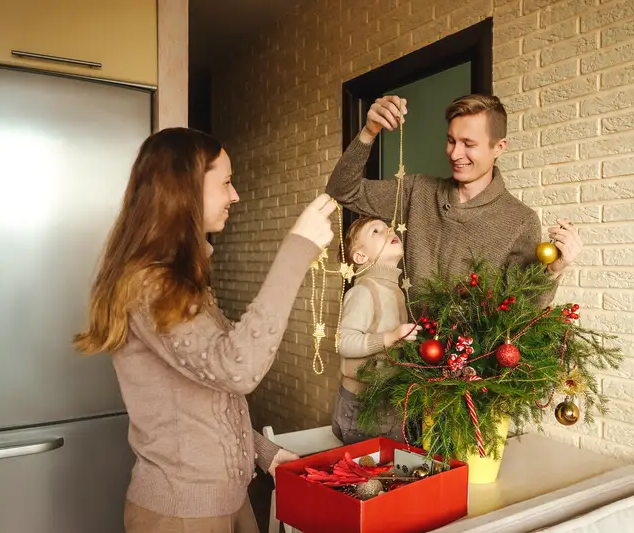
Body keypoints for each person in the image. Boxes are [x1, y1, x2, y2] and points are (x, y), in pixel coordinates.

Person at [74, 127, 336, 533]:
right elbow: (236, 369)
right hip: (182, 514)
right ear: (185, 191)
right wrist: (296, 250)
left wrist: (263, 452)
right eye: (227, 183)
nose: (235, 196)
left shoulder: (180, 282)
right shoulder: (149, 285)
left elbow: (205, 396)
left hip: (227, 502)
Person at [325, 94, 583, 305]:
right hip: (400, 360)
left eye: (468, 144)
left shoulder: (519, 220)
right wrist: (369, 132)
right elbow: (342, 190)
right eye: (451, 141)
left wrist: (552, 271)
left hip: (470, 366)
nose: (455, 153)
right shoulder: (417, 190)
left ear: (499, 147)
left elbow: (519, 310)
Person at [331, 216, 420, 444]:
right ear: (361, 256)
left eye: (387, 227)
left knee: (391, 465)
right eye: (376, 231)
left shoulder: (396, 291)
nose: (390, 229)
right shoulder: (363, 292)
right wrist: (390, 337)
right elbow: (344, 342)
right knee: (366, 469)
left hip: (389, 398)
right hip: (361, 402)